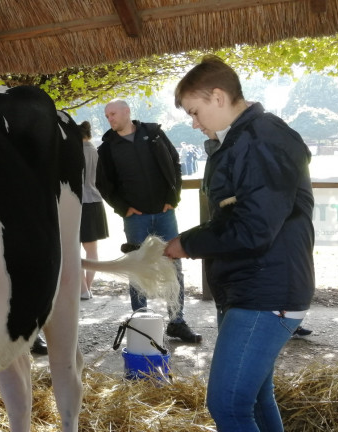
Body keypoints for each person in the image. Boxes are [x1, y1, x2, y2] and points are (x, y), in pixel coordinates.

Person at [164, 55, 315, 431]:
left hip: (267, 293)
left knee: (228, 405)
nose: (195, 124)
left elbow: (254, 227)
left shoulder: (262, 138)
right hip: (250, 287)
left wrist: (188, 243)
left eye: (195, 112)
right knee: (256, 397)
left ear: (218, 97)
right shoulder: (239, 139)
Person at [96, 99, 202, 343]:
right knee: (137, 268)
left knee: (174, 265)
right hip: (136, 218)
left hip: (165, 213)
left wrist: (173, 197)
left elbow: (175, 163)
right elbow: (103, 184)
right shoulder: (108, 147)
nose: (109, 118)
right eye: (107, 115)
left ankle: (177, 321)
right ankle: (140, 321)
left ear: (126, 112)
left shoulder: (153, 134)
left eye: (113, 113)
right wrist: (123, 208)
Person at [78, 121, 109, 300]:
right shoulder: (97, 151)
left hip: (78, 203)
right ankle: (88, 286)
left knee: (74, 249)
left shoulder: (73, 152)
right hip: (96, 202)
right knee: (92, 250)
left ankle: (83, 289)